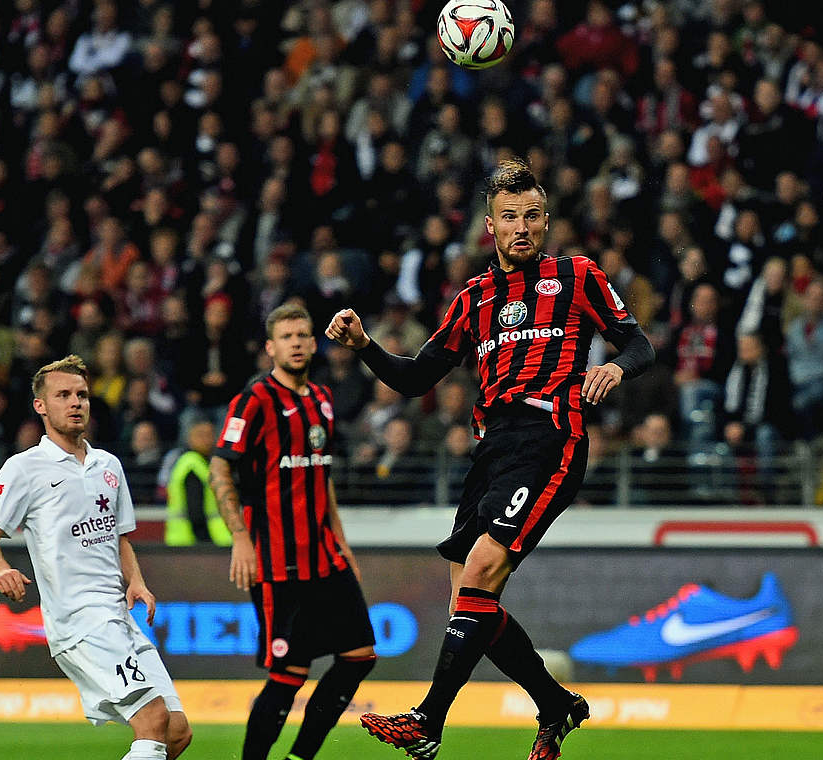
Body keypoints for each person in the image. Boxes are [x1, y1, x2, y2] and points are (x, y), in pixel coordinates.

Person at [325, 158, 654, 760]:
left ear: (546, 222)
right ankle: (556, 706)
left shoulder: (577, 275)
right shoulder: (475, 296)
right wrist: (366, 346)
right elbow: (419, 377)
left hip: (550, 438)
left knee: (477, 576)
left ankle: (428, 721)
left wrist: (611, 366)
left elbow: (639, 342)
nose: (521, 227)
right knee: (471, 600)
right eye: (510, 217)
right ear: (491, 226)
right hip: (493, 450)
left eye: (531, 216)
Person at [0, 355, 192, 760]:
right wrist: (1, 569)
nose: (75, 403)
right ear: (41, 406)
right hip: (79, 620)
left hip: (118, 616)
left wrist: (137, 582)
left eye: (81, 395)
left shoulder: (108, 464)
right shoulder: (24, 468)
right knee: (152, 720)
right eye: (63, 395)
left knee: (177, 733)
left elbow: (119, 536)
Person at [209, 303, 376, 760]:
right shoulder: (254, 401)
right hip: (278, 563)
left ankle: (299, 757)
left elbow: (321, 479)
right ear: (270, 347)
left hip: (325, 556)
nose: (297, 343)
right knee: (289, 675)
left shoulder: (321, 399)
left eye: (303, 335)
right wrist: (241, 540)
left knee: (361, 654)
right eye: (287, 337)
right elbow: (220, 468)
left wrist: (342, 543)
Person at [164, 419, 231, 547]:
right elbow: (195, 512)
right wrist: (205, 543)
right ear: (189, 437)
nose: (206, 440)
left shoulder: (202, 463)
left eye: (210, 435)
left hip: (185, 541)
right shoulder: (192, 465)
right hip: (192, 544)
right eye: (200, 435)